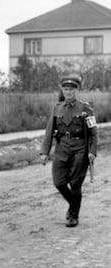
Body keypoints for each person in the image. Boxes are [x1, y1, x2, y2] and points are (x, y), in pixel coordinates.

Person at [40, 75, 97, 228]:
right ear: (62, 91)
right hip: (62, 149)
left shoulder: (86, 109)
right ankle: (74, 204)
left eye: (71, 89)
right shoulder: (57, 108)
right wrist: (44, 152)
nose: (68, 92)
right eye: (66, 89)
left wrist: (92, 152)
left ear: (76, 90)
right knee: (58, 182)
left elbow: (93, 133)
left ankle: (73, 216)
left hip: (80, 150)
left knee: (75, 184)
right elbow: (49, 131)